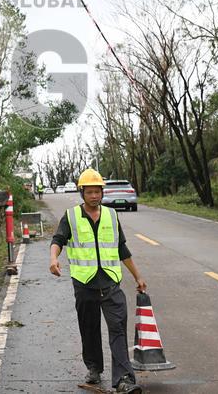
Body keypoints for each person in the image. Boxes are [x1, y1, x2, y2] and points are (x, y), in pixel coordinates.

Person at [49, 168, 147, 393]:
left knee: (118, 329)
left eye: (98, 192)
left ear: (102, 192)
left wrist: (138, 276)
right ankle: (94, 368)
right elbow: (58, 239)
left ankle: (124, 380)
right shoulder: (71, 216)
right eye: (90, 192)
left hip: (111, 283)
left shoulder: (112, 215)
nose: (94, 196)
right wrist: (53, 258)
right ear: (82, 192)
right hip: (85, 285)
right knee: (89, 328)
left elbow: (121, 248)